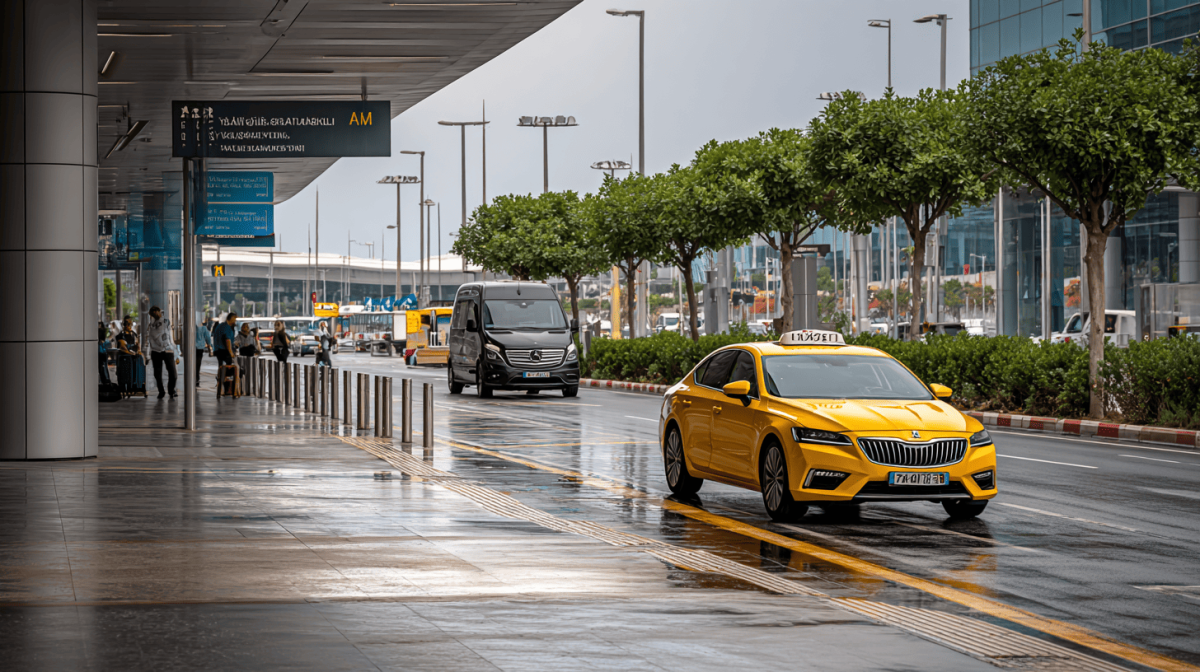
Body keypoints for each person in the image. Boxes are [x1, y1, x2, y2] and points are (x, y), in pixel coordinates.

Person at [145, 305, 177, 399]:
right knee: (157, 373)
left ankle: (171, 390)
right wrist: (147, 354)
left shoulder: (166, 321)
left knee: (173, 373)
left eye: (156, 312)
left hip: (167, 349)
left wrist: (175, 349)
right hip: (155, 351)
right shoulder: (151, 325)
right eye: (153, 313)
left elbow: (170, 336)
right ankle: (161, 391)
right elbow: (150, 338)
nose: (155, 314)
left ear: (159, 311)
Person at [211, 312, 238, 390]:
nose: (235, 321)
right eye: (234, 319)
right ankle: (224, 381)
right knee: (229, 366)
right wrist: (231, 353)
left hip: (217, 350)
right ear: (231, 319)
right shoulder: (227, 327)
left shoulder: (220, 326)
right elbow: (228, 341)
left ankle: (220, 379)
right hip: (224, 350)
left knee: (220, 366)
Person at [195, 321, 213, 387]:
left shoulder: (191, 327)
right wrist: (209, 344)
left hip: (190, 349)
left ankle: (191, 378)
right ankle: (196, 379)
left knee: (191, 364)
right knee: (197, 365)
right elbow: (208, 337)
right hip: (199, 349)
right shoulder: (204, 328)